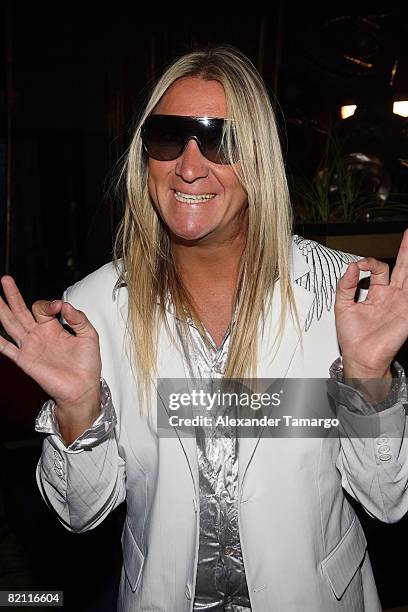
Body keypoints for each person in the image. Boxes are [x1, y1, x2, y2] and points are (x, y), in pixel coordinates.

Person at [1, 45, 408, 612]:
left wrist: (369, 379)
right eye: (170, 136)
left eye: (221, 139)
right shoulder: (94, 307)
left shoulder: (335, 293)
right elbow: (78, 513)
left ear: (259, 158)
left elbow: (389, 499)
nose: (190, 166)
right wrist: (78, 409)